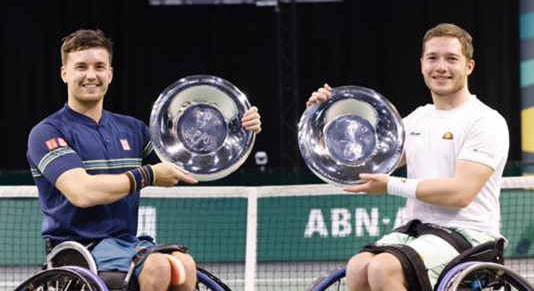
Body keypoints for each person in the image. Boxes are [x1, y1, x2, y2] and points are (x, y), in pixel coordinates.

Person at [26, 29, 262, 291]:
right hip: (76, 251)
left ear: (110, 74)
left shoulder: (133, 129)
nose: (91, 75)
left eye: (99, 67)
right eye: (81, 67)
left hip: (126, 243)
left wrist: (234, 129)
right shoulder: (48, 132)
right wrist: (148, 175)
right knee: (158, 266)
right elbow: (82, 192)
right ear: (64, 74)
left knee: (185, 263)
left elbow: (186, 160)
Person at [306, 23, 509, 290]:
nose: (441, 67)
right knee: (358, 266)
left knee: (384, 267)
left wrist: (391, 185)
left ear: (469, 66)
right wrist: (322, 118)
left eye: (451, 59)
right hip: (416, 230)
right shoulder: (417, 119)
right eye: (433, 58)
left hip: (470, 235)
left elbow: (460, 192)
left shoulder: (485, 121)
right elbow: (360, 162)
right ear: (422, 64)